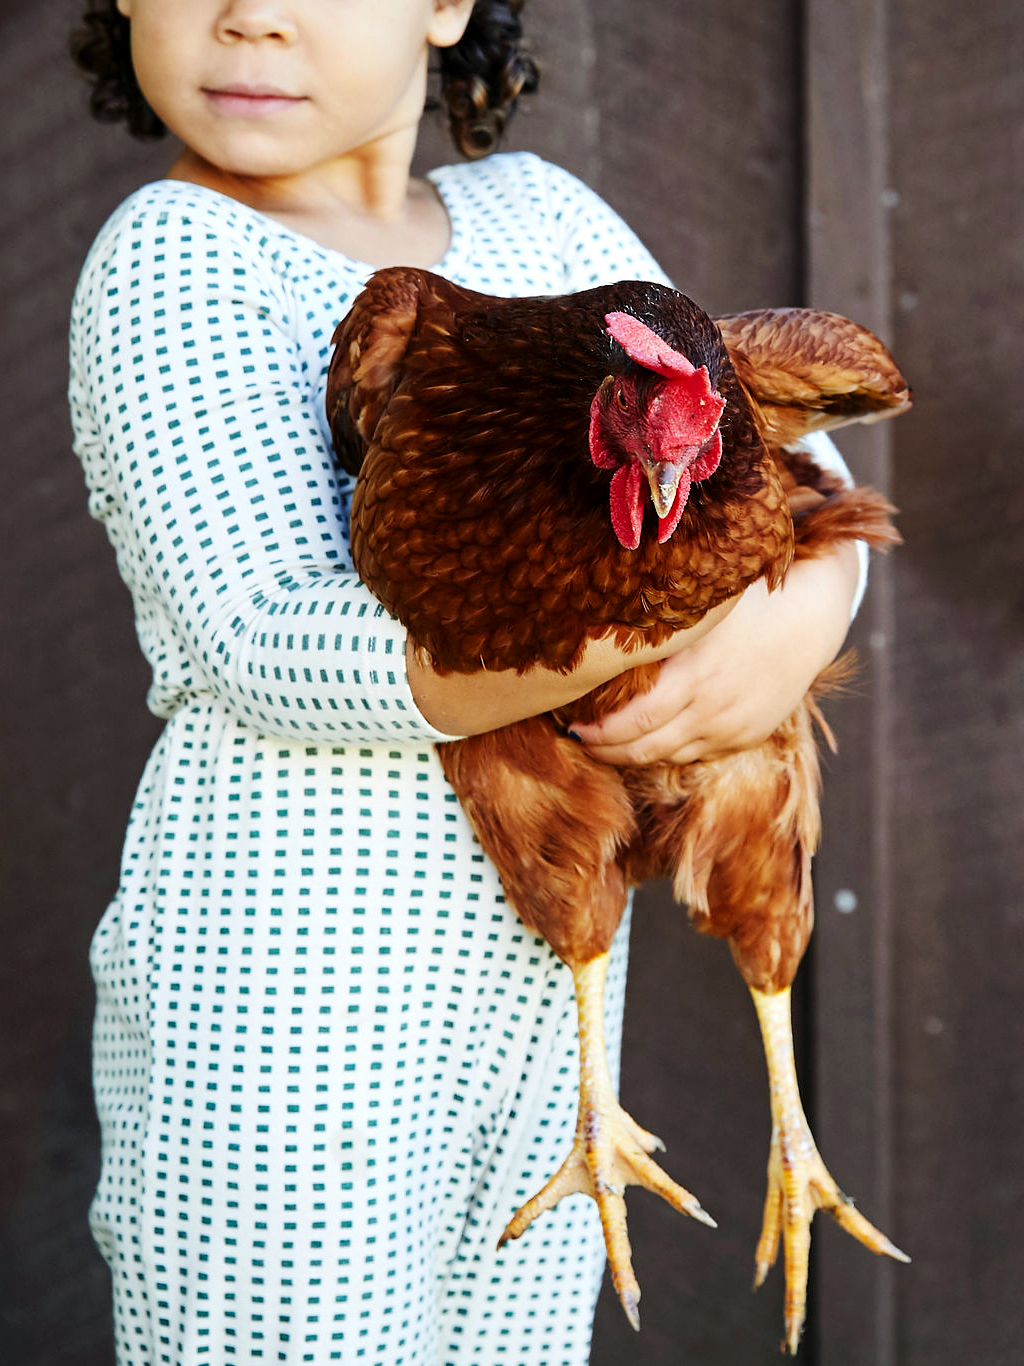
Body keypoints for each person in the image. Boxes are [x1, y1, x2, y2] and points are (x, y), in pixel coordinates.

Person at [68, 2, 865, 1363]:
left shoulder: (540, 215)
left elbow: (789, 458)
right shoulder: (173, 259)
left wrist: (802, 610)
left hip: (552, 1021)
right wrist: (667, 608)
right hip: (277, 1018)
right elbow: (268, 641)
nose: (247, 15)